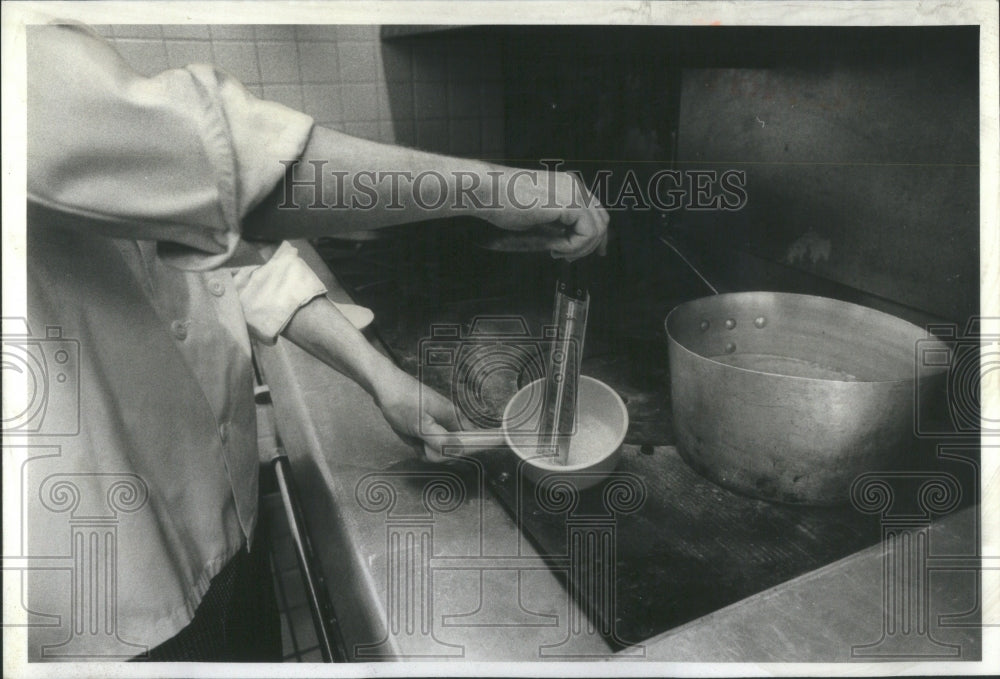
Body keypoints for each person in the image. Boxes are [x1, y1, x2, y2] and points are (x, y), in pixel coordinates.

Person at [23, 23, 608, 661]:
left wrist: (380, 375)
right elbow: (240, 181)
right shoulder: (20, 65)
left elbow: (231, 257)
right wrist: (498, 189)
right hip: (108, 585)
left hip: (225, 511)